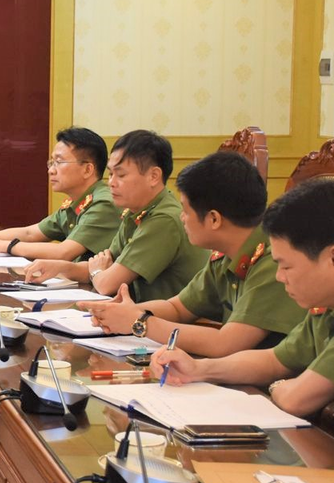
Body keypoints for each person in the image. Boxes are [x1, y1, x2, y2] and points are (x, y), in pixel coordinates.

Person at [152, 179, 334, 441]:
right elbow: (274, 360)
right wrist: (198, 369)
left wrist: (278, 386)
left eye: (286, 267)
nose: (279, 277)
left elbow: (296, 399)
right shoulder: (329, 304)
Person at [84, 151, 305, 355]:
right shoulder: (224, 256)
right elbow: (177, 308)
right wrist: (121, 312)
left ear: (214, 219)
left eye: (186, 211)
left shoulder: (274, 262)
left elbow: (225, 344)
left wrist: (140, 322)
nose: (182, 218)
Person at [25, 129, 208, 300]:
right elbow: (104, 265)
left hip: (165, 320)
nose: (111, 182)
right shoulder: (134, 212)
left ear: (153, 176)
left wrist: (97, 272)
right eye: (111, 174)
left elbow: (106, 284)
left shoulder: (163, 219)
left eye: (120, 175)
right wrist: (59, 267)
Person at [0, 127, 118, 260]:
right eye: (51, 163)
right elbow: (30, 233)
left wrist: (5, 246)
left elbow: (64, 252)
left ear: (87, 169)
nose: (51, 170)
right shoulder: (75, 202)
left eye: (59, 162)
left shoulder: (103, 203)